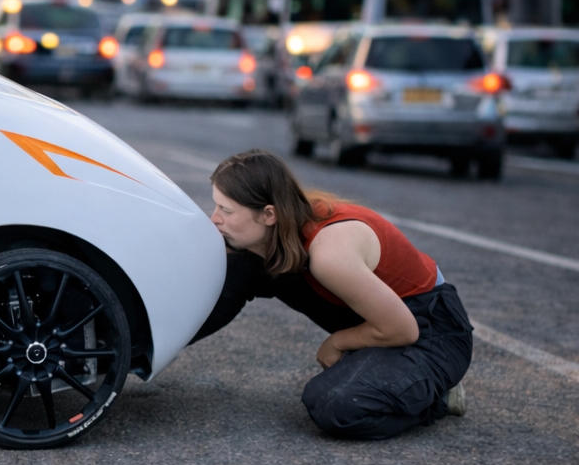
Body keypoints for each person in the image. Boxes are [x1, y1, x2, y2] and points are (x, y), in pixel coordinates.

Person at [191, 149, 472, 440]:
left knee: (334, 404)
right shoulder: (287, 223)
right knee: (243, 265)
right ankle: (145, 352)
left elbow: (403, 329)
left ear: (269, 214)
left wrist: (337, 342)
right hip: (389, 316)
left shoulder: (329, 255)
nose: (214, 219)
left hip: (431, 333)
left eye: (225, 210)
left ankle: (432, 395)